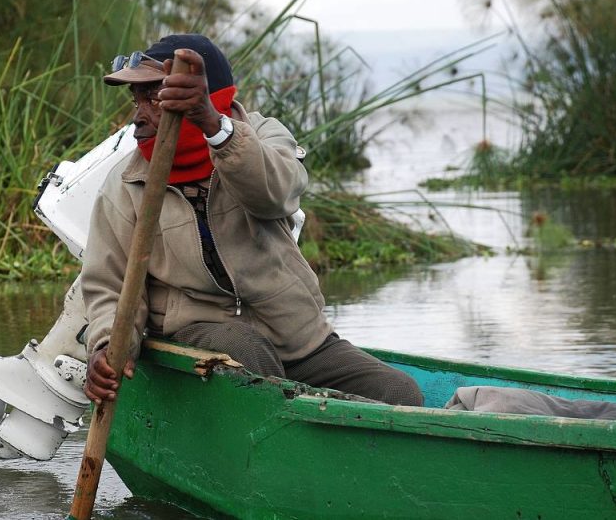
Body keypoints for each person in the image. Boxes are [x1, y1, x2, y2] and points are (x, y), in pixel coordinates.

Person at [81, 34, 422, 407]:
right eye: (137, 99)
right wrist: (106, 349)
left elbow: (275, 194)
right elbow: (109, 287)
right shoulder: (127, 184)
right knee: (246, 352)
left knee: (398, 392)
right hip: (199, 337)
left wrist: (214, 128)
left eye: (154, 98)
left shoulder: (262, 136)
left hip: (296, 338)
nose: (138, 115)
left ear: (206, 97)